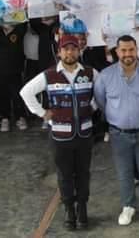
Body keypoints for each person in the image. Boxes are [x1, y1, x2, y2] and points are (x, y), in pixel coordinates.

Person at [20, 35, 97, 231]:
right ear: (59, 52)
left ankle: (82, 210)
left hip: (84, 135)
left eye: (73, 49)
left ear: (79, 51)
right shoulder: (49, 75)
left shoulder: (89, 73)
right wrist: (42, 113)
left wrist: (93, 107)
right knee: (64, 175)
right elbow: (26, 92)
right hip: (60, 136)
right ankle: (69, 210)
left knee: (83, 174)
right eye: (66, 49)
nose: (70, 52)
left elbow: (104, 91)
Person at [93, 35, 139, 227]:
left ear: (137, 50)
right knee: (124, 172)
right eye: (123, 50)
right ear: (116, 52)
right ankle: (128, 206)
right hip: (119, 134)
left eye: (131, 50)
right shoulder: (105, 76)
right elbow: (101, 102)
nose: (127, 54)